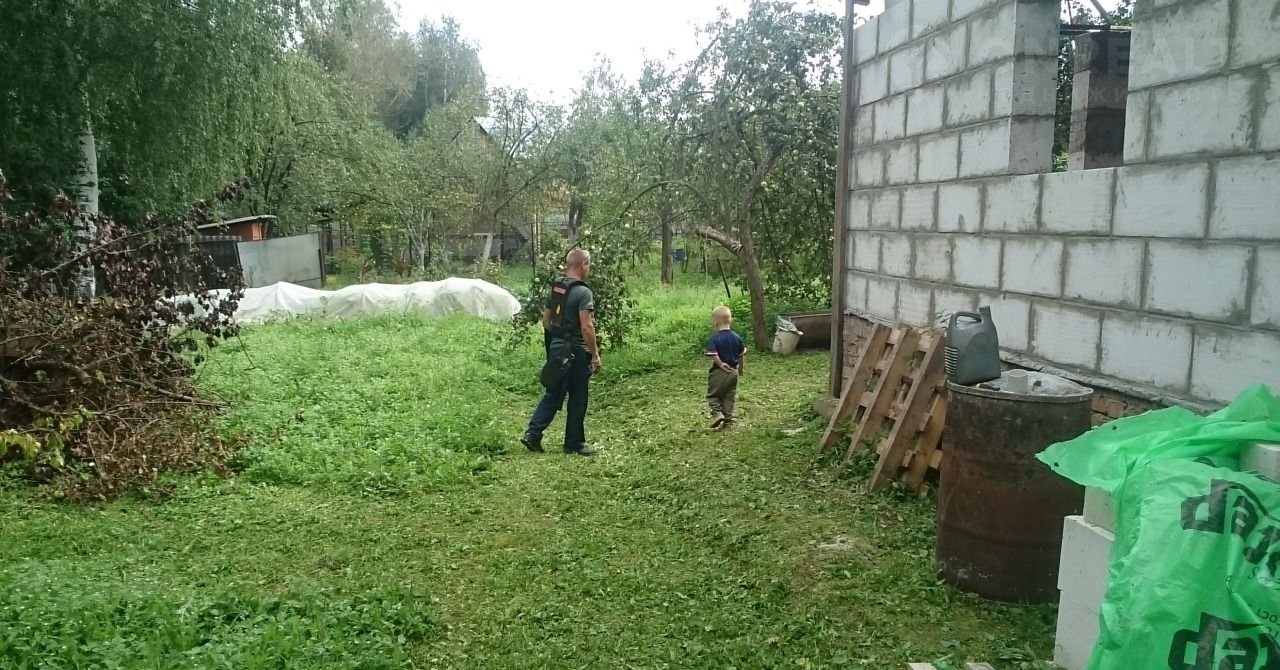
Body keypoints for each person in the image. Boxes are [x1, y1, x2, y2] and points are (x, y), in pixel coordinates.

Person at [521, 249, 602, 456]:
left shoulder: (558, 289)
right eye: (589, 265)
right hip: (575, 351)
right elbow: (587, 327)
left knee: (554, 392)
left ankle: (533, 433)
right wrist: (594, 355)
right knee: (578, 395)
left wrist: (558, 340)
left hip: (558, 348)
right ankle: (574, 443)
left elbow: (546, 320)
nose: (589, 269)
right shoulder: (583, 292)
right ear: (583, 264)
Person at [705, 305, 745, 429]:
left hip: (719, 372)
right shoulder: (736, 337)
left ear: (715, 322)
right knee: (729, 396)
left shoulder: (715, 338)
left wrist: (720, 364)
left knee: (713, 395)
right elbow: (741, 354)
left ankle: (717, 413)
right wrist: (741, 368)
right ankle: (728, 419)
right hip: (734, 372)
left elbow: (714, 354)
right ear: (730, 320)